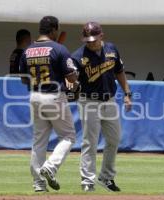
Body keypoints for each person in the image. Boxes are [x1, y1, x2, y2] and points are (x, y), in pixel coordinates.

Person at [19, 16, 78, 192]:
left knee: (39, 141)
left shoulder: (27, 50)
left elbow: (23, 79)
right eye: (57, 29)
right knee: (68, 136)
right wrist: (72, 75)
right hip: (53, 95)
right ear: (53, 29)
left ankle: (38, 183)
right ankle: (50, 167)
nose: (58, 32)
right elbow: (71, 77)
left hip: (35, 95)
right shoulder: (59, 49)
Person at [72, 22, 132, 192]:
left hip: (109, 100)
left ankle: (106, 178)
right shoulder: (78, 56)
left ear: (101, 36)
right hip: (89, 101)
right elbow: (70, 79)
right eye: (87, 39)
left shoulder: (111, 49)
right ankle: (87, 181)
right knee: (90, 142)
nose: (90, 42)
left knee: (114, 139)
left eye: (93, 39)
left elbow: (119, 71)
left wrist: (127, 93)